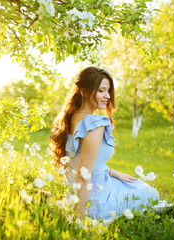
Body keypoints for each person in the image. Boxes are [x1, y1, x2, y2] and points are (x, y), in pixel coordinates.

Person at [50, 66, 159, 220]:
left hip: (74, 196)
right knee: (152, 194)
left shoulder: (70, 118)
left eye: (108, 91)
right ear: (85, 91)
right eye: (101, 90)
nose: (107, 96)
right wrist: (77, 220)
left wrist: (114, 173)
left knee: (133, 183)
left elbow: (82, 160)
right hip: (95, 203)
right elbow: (83, 176)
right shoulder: (94, 123)